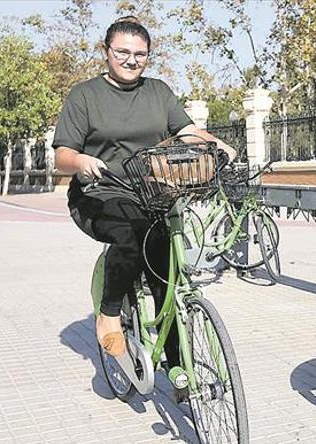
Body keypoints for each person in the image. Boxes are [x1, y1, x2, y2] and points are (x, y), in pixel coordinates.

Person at [52, 16, 236, 386]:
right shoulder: (85, 96)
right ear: (106, 52)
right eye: (123, 52)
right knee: (129, 236)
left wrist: (218, 146)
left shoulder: (158, 92)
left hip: (151, 192)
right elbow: (62, 157)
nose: (132, 60)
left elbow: (186, 131)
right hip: (100, 193)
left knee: (165, 273)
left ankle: (179, 368)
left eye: (140, 54)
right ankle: (109, 313)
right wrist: (83, 162)